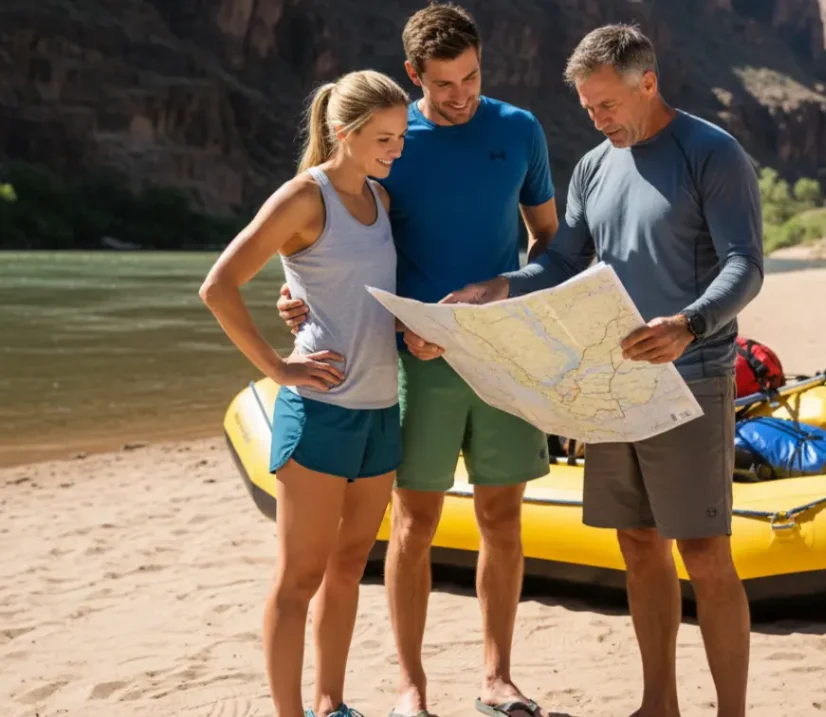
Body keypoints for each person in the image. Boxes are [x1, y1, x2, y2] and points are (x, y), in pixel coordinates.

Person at [438, 24, 764, 717]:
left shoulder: (712, 153)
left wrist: (688, 323)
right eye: (587, 107)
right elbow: (560, 262)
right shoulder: (591, 166)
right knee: (639, 542)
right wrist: (490, 291)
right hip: (614, 383)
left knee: (705, 554)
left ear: (648, 83)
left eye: (607, 104)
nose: (598, 118)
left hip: (692, 374)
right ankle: (659, 705)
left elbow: (745, 264)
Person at [275, 5, 560, 717]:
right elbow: (331, 224)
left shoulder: (520, 130)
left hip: (501, 355)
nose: (461, 95)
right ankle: (412, 687)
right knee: (415, 522)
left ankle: (498, 677)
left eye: (472, 77)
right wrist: (296, 290)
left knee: (502, 516)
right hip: (414, 357)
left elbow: (550, 248)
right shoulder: (394, 138)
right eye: (445, 83)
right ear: (414, 75)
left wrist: (507, 299)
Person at [199, 70, 410, 717]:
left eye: (400, 137)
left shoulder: (383, 200)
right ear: (341, 133)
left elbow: (364, 296)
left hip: (381, 411)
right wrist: (279, 367)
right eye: (383, 138)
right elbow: (219, 285)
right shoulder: (302, 198)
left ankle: (330, 702)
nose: (395, 150)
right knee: (299, 579)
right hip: (319, 413)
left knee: (350, 568)